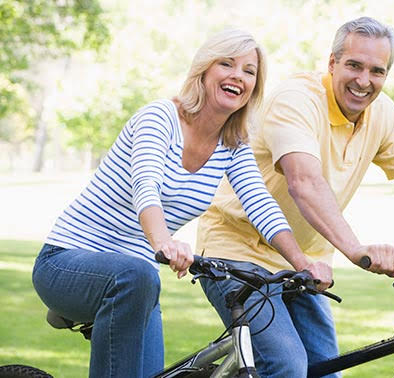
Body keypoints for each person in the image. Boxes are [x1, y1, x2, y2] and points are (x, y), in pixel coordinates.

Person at [195, 17, 394, 378]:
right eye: (353, 65)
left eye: (376, 71)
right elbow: (304, 181)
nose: (364, 81)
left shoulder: (383, 115)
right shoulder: (297, 100)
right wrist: (356, 249)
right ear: (332, 64)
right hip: (238, 253)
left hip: (307, 264)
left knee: (327, 371)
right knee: (286, 364)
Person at [31, 29, 329, 378]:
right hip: (67, 261)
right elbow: (146, 184)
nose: (238, 76)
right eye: (227, 64)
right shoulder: (160, 118)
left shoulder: (232, 144)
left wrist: (302, 262)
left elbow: (260, 203)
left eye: (249, 71)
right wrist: (163, 242)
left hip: (137, 284)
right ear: (203, 71)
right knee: (138, 273)